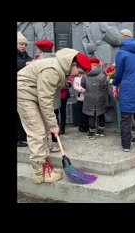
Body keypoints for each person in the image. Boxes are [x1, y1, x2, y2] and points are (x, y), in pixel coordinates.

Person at [17, 48, 91, 183]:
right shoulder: (53, 70)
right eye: (79, 72)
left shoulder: (60, 68)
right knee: (37, 132)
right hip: (24, 95)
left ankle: (46, 166)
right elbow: (45, 99)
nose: (78, 76)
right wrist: (53, 124)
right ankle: (40, 173)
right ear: (73, 64)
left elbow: (47, 94)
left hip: (34, 95)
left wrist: (50, 125)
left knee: (43, 130)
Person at [112, 29, 135, 152]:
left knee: (126, 119)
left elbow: (119, 73)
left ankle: (126, 145)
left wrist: (114, 83)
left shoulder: (121, 53)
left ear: (123, 38)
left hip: (127, 88)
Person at [33, 39, 60, 152]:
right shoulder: (57, 60)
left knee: (43, 120)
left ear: (39, 49)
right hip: (55, 95)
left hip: (42, 96)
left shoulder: (36, 62)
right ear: (52, 48)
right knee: (54, 119)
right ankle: (55, 143)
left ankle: (44, 143)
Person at [81, 57, 108, 139]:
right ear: (98, 64)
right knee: (101, 113)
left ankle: (92, 132)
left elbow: (83, 85)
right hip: (100, 95)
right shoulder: (102, 75)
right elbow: (105, 85)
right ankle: (101, 131)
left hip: (89, 96)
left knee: (91, 114)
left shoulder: (85, 75)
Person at [17, 31, 32, 147]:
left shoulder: (27, 56)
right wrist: (27, 63)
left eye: (25, 44)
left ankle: (23, 136)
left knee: (23, 114)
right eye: (21, 44)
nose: (23, 46)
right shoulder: (24, 59)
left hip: (24, 90)